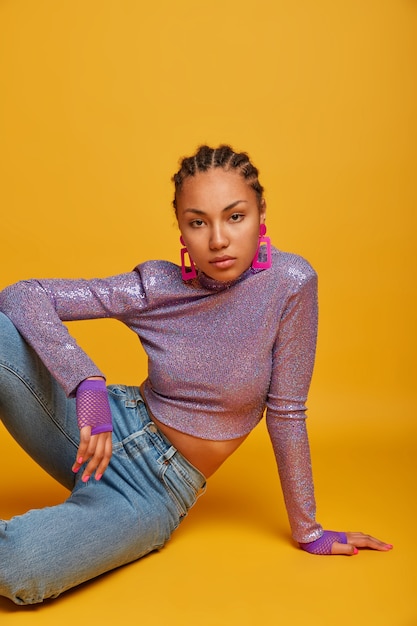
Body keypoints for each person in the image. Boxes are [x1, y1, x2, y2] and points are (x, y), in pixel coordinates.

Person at [0, 144, 392, 605]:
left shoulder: (290, 283)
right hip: (95, 430)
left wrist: (309, 530)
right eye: (198, 222)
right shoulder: (158, 286)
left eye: (235, 216)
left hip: (153, 491)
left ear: (261, 213)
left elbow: (286, 413)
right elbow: (22, 296)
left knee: (19, 568)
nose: (218, 239)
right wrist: (85, 383)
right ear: (182, 229)